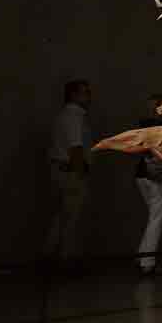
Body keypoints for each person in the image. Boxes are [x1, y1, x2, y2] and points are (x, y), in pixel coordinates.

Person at [45, 80, 93, 270]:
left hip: (61, 171)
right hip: (71, 173)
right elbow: (76, 148)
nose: (90, 97)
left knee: (61, 218)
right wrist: (80, 174)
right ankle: (66, 262)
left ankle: (49, 258)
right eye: (86, 92)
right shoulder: (74, 116)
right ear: (73, 95)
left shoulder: (64, 115)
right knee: (72, 219)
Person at [135, 94, 162, 276]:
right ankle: (147, 262)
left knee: (154, 218)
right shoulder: (159, 128)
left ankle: (144, 258)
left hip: (144, 176)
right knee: (156, 220)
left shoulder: (144, 126)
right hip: (156, 177)